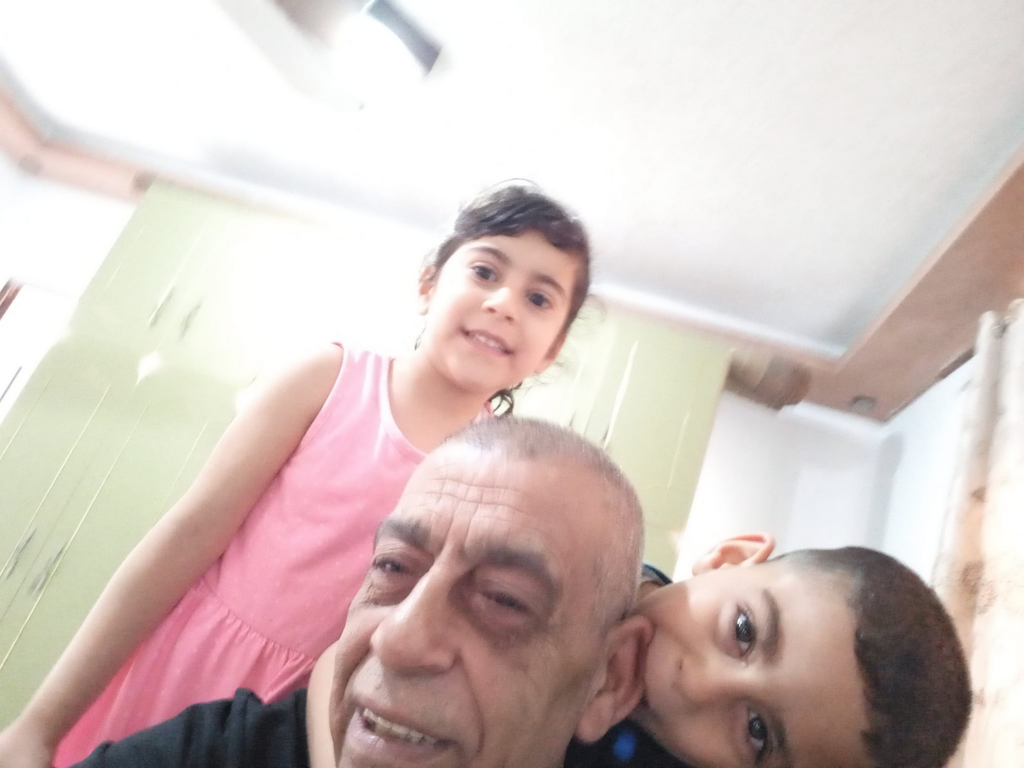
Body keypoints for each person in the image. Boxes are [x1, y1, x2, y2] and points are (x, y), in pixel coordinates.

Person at [0, 183, 595, 768]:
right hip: (190, 664)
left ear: (551, 350)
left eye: (539, 299)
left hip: (326, 721)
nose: (505, 303)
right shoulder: (328, 379)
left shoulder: (503, 478)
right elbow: (183, 540)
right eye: (485, 272)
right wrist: (39, 724)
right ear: (428, 286)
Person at [70, 417, 653, 768]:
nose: (397, 639)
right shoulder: (221, 749)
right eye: (393, 567)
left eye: (503, 599)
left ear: (610, 679)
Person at [565, 535, 973, 768]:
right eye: (743, 630)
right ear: (730, 558)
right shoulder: (569, 551)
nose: (696, 685)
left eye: (757, 730)